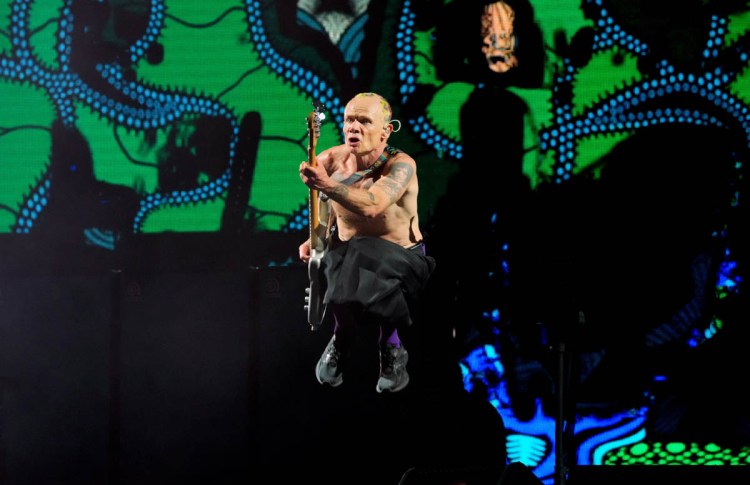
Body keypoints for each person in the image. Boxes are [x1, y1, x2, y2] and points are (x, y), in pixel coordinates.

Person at [298, 92, 436, 393]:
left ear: (386, 131)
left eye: (364, 121)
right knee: (336, 258)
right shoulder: (330, 160)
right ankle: (342, 337)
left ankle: (391, 346)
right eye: (349, 120)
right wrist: (314, 238)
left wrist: (326, 184)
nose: (354, 127)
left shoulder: (401, 166)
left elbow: (374, 205)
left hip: (403, 259)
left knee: (365, 254)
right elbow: (324, 209)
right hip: (351, 255)